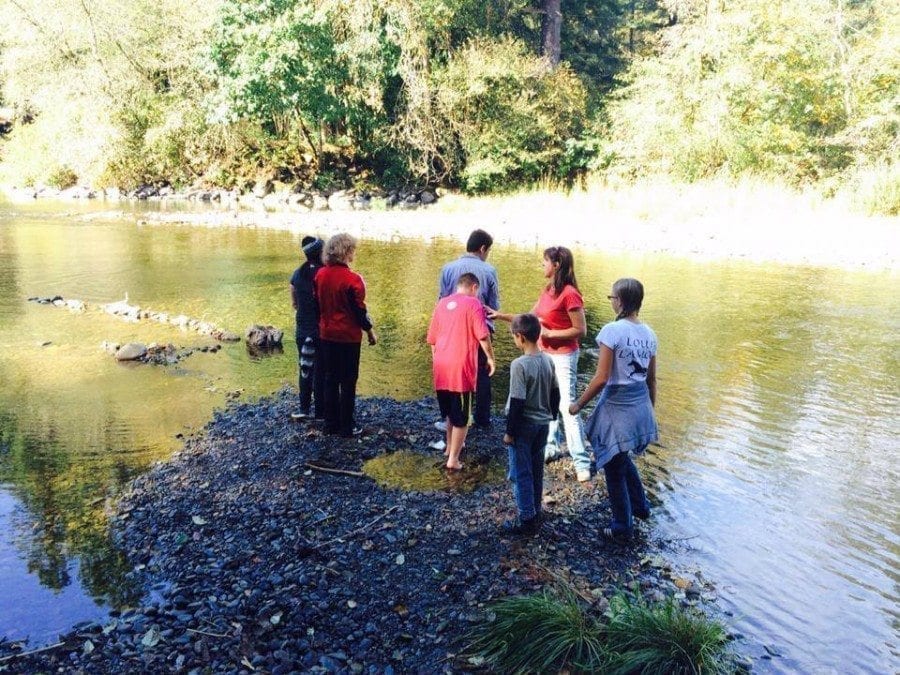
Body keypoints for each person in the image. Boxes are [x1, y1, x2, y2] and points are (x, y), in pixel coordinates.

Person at [489, 246, 592, 482]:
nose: (542, 265)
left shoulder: (570, 293)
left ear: (556, 265)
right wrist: (501, 315)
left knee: (567, 406)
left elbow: (581, 330)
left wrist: (549, 334)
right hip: (545, 355)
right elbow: (530, 319)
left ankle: (581, 462)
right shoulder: (548, 290)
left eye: (545, 262)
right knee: (548, 402)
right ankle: (551, 447)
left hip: (564, 356)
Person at [569, 278, 657, 539]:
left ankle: (622, 527)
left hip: (618, 405)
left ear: (619, 301)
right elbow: (651, 379)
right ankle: (640, 506)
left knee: (612, 464)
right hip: (640, 401)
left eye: (612, 298)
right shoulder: (650, 333)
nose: (612, 302)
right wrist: (650, 411)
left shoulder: (612, 331)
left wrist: (578, 404)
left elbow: (602, 378)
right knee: (621, 456)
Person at [426, 273, 496, 470]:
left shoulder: (441, 304)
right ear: (474, 287)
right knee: (462, 417)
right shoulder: (474, 304)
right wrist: (490, 358)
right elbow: (483, 335)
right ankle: (453, 460)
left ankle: (449, 448)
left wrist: (437, 360)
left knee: (449, 411)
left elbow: (432, 339)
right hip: (461, 368)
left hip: (441, 365)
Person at [502, 313, 560, 535]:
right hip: (542, 424)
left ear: (520, 337)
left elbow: (517, 401)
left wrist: (509, 432)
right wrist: (552, 415)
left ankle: (526, 518)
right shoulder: (548, 360)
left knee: (521, 472)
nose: (514, 341)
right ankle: (535, 509)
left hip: (524, 425)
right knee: (536, 469)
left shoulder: (519, 365)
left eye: (514, 337)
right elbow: (556, 393)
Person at [315, 233, 377, 437]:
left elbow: (318, 305)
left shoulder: (320, 275)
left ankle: (329, 423)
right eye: (353, 250)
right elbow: (359, 311)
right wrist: (370, 332)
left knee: (330, 378)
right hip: (348, 337)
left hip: (326, 334)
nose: (354, 253)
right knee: (348, 380)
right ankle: (346, 426)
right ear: (347, 252)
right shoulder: (353, 280)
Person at [438, 229, 500, 429]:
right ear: (483, 249)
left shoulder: (448, 268)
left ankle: (450, 417)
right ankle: (482, 418)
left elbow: (442, 300)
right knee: (483, 373)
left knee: (453, 372)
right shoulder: (489, 271)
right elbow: (493, 306)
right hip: (479, 328)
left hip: (452, 330)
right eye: (488, 251)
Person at [289, 236, 325, 420]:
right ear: (320, 252)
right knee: (320, 370)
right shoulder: (324, 272)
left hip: (303, 329)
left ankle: (303, 409)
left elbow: (294, 298)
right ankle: (320, 412)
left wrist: (299, 304)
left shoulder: (298, 273)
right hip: (320, 331)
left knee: (304, 368)